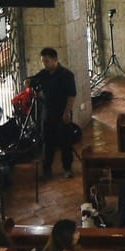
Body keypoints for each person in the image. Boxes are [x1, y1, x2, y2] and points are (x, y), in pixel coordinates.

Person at [32, 47, 80, 179]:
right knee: (48, 142)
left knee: (65, 142)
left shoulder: (66, 75)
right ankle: (47, 169)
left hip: (62, 112)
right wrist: (29, 83)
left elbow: (71, 95)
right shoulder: (44, 74)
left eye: (47, 61)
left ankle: (67, 168)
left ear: (55, 60)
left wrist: (67, 112)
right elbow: (32, 80)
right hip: (48, 113)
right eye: (43, 61)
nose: (45, 64)